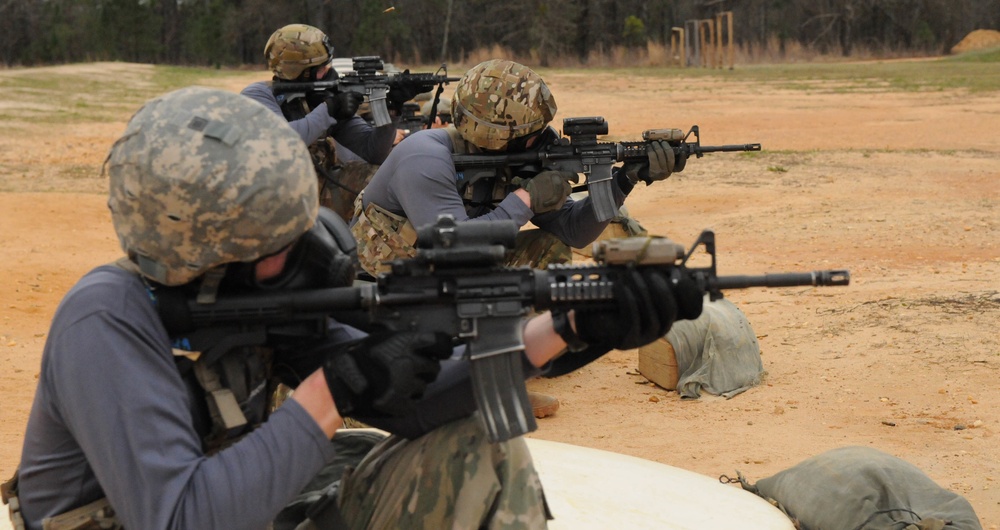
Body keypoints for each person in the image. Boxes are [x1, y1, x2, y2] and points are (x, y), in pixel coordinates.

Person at [6, 87, 700, 529]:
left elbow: (419, 406)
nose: (299, 251)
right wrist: (331, 392)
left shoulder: (255, 292)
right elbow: (182, 517)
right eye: (276, 243)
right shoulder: (106, 321)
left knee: (472, 449)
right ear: (202, 255)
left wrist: (575, 326)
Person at [350, 59, 680, 419]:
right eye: (535, 132)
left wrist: (623, 182)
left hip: (449, 276)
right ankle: (468, 382)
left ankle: (501, 371)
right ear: (497, 136)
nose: (546, 138)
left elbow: (573, 231)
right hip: (389, 287)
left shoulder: (519, 156)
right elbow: (456, 248)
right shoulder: (425, 157)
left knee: (548, 249)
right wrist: (526, 198)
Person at [241, 23, 417, 223]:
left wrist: (391, 108)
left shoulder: (318, 97)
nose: (329, 71)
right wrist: (329, 109)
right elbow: (284, 141)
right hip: (273, 202)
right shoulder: (257, 96)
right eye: (323, 68)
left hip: (319, 190)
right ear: (302, 71)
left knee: (384, 177)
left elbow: (373, 152)